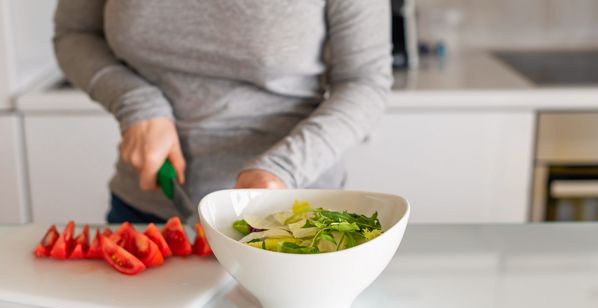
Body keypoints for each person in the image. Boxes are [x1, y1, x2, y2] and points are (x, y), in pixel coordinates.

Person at [53, 0, 392, 223]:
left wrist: (281, 169)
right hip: (151, 207)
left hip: (293, 210)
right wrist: (137, 104)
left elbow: (365, 80)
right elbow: (75, 34)